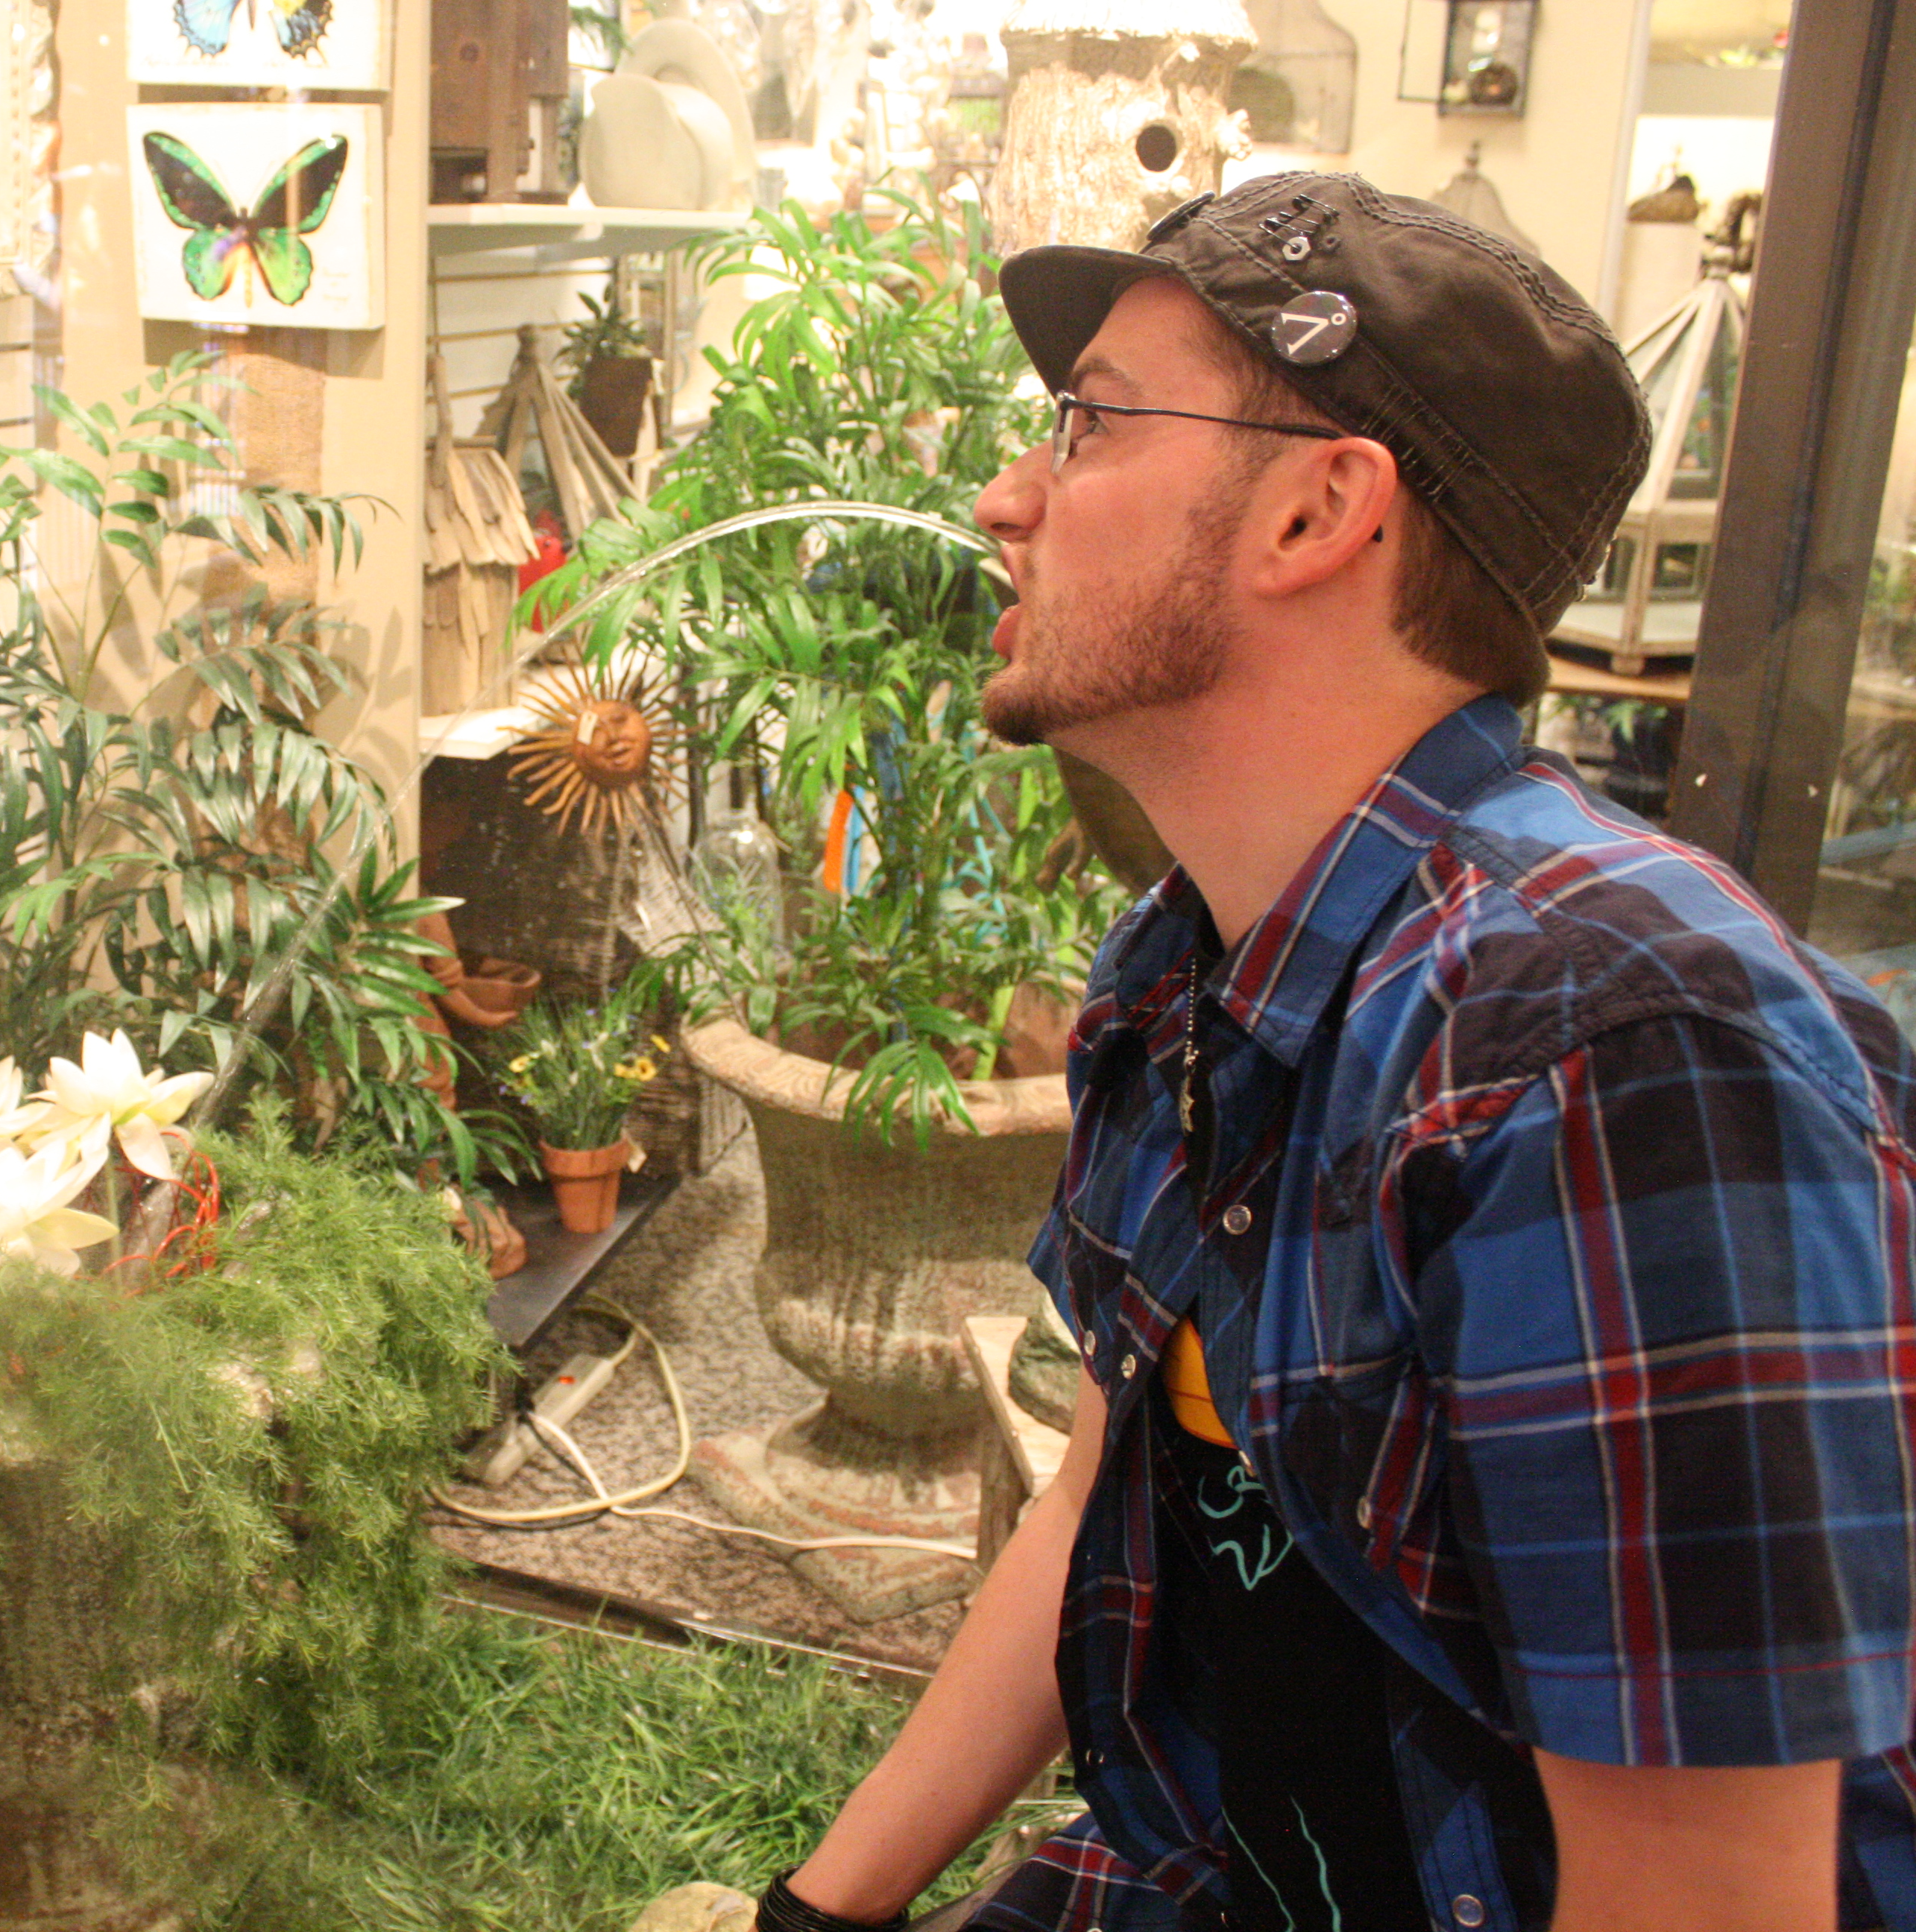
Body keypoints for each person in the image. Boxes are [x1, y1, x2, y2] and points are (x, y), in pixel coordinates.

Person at [756, 172, 1916, 1932]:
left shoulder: (1606, 1049)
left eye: (1089, 425)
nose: (1005, 499)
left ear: (1317, 510)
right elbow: (1105, 1500)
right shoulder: (1186, 968)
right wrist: (816, 1912)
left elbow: (1703, 1899)